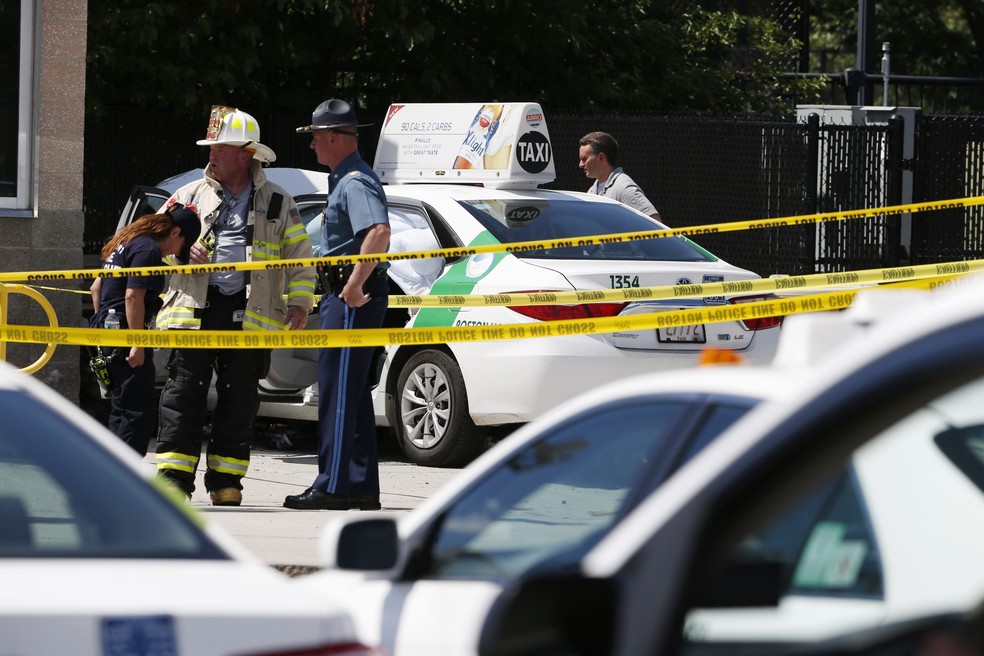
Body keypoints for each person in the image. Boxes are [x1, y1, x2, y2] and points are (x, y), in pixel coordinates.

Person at [155, 106, 316, 506]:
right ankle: (173, 480)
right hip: (194, 312)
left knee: (239, 399)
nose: (212, 155)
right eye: (211, 149)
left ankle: (227, 483)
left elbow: (301, 257)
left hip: (251, 315)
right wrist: (179, 253)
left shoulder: (278, 201)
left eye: (221, 149)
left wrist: (300, 303)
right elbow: (150, 244)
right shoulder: (188, 196)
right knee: (183, 396)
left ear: (246, 155)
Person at [284, 98, 391, 511]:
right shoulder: (344, 178)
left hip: (350, 297)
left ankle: (332, 486)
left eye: (315, 137)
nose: (312, 145)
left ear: (331, 137)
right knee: (351, 392)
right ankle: (359, 485)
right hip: (346, 293)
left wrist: (353, 285)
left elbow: (378, 232)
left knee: (338, 392)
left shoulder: (354, 181)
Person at [89, 204, 201, 456]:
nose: (176, 252)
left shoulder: (125, 242)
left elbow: (96, 288)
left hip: (107, 332)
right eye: (182, 245)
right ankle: (126, 470)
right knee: (138, 410)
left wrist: (103, 325)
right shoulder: (147, 249)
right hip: (127, 335)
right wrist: (137, 342)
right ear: (175, 232)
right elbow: (132, 297)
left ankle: (112, 465)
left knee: (121, 405)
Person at [578, 131, 661, 220]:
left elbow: (655, 222)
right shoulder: (593, 190)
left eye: (584, 159)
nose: (580, 164)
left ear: (601, 158)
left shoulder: (623, 187)